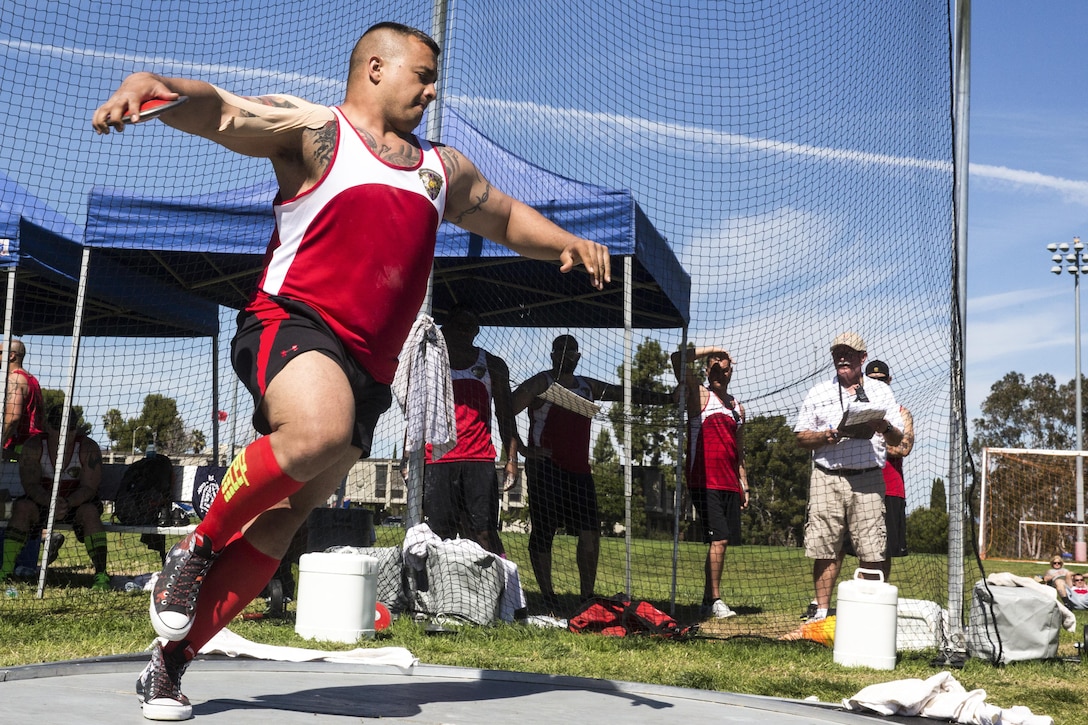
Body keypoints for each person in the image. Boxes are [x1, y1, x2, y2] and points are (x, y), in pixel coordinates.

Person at [93, 21, 610, 721]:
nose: (432, 89)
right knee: (318, 429)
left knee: (282, 524)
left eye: (435, 78)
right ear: (374, 67)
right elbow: (221, 109)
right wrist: (150, 91)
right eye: (421, 74)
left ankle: (170, 662)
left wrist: (566, 244)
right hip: (293, 324)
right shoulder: (318, 134)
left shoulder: (441, 169)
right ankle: (197, 544)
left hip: (369, 368)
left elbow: (504, 213)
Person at [512, 334, 672, 613]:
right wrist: (522, 449)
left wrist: (668, 399)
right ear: (551, 355)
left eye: (570, 351)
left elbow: (625, 393)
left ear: (578, 356)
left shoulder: (587, 386)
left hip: (579, 471)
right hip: (546, 469)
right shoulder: (542, 382)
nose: (565, 356)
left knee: (589, 532)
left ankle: (587, 594)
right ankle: (547, 594)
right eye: (559, 350)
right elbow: (507, 407)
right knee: (544, 531)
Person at [793, 332, 904, 622]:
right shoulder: (818, 392)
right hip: (826, 476)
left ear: (862, 358)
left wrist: (883, 426)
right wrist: (824, 436)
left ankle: (867, 613)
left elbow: (898, 436)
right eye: (837, 353)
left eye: (849, 353)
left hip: (868, 479)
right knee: (824, 546)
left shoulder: (882, 392)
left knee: (872, 547)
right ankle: (820, 612)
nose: (842, 358)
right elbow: (800, 437)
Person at [423, 305, 517, 555]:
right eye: (458, 326)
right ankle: (437, 589)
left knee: (483, 532)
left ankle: (495, 588)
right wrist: (406, 457)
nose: (464, 332)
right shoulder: (431, 363)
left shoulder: (493, 365)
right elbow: (417, 412)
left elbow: (505, 414)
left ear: (476, 331)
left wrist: (512, 459)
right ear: (446, 329)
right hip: (439, 458)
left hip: (478, 459)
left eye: (470, 327)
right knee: (438, 533)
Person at [671, 345, 747, 619]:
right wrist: (715, 350)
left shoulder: (738, 407)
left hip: (729, 483)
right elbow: (678, 358)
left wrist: (743, 483)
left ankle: (708, 599)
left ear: (730, 372)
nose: (718, 374)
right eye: (713, 369)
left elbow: (739, 451)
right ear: (706, 369)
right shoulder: (700, 395)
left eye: (723, 369)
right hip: (704, 480)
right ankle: (713, 600)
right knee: (720, 540)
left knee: (723, 541)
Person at [0, 404, 107, 590]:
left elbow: (90, 487)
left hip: (76, 504)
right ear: (48, 427)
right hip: (42, 502)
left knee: (90, 512)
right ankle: (6, 570)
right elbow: (30, 485)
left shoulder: (88, 448)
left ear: (76, 428)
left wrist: (67, 502)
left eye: (71, 429)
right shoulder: (33, 447)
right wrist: (50, 502)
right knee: (22, 508)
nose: (65, 435)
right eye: (59, 429)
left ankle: (101, 574)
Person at [864, 359, 913, 580]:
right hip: (862, 486)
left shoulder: (902, 413)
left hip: (891, 488)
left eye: (882, 380)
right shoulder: (858, 411)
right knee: (860, 547)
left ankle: (879, 595)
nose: (878, 384)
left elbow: (904, 448)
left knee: (885, 550)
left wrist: (871, 441)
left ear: (889, 380)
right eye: (872, 381)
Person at [2, 339, 45, 462]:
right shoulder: (32, 380)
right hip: (36, 444)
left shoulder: (14, 379)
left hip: (18, 446)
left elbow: (13, 418)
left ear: (11, 356)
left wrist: (1, 442)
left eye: (0, 352)